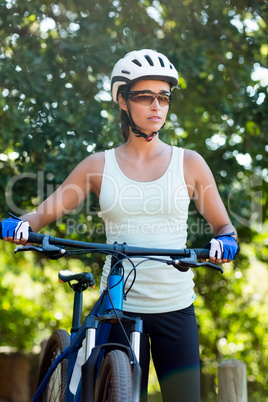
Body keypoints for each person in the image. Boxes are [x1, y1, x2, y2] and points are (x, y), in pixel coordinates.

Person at [1, 49, 239, 402]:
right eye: (146, 96)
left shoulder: (189, 164)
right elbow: (42, 215)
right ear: (123, 101)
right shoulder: (99, 165)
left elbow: (224, 226)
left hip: (176, 307)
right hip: (118, 308)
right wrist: (18, 224)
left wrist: (225, 244)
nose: (157, 106)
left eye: (164, 97)